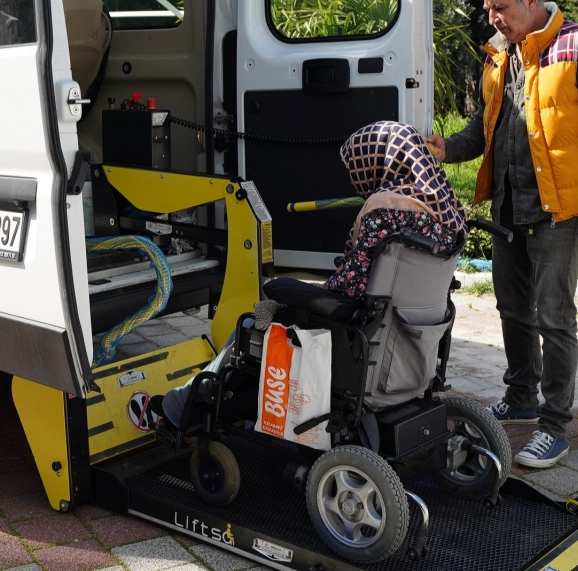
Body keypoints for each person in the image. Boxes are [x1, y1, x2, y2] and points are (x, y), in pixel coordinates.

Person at [424, 0, 578, 469]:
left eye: (499, 8)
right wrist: (446, 148)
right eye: (488, 11)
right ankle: (521, 397)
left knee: (554, 317)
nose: (493, 19)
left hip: (558, 210)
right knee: (512, 309)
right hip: (508, 203)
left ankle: (554, 424)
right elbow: (485, 126)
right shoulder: (499, 56)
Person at [156, 121, 465, 428]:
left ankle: (179, 408)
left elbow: (352, 288)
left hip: (362, 344)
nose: (357, 178)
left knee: (254, 321)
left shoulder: (384, 209)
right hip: (412, 354)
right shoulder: (447, 212)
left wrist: (299, 290)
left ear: (379, 160)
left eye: (360, 167)